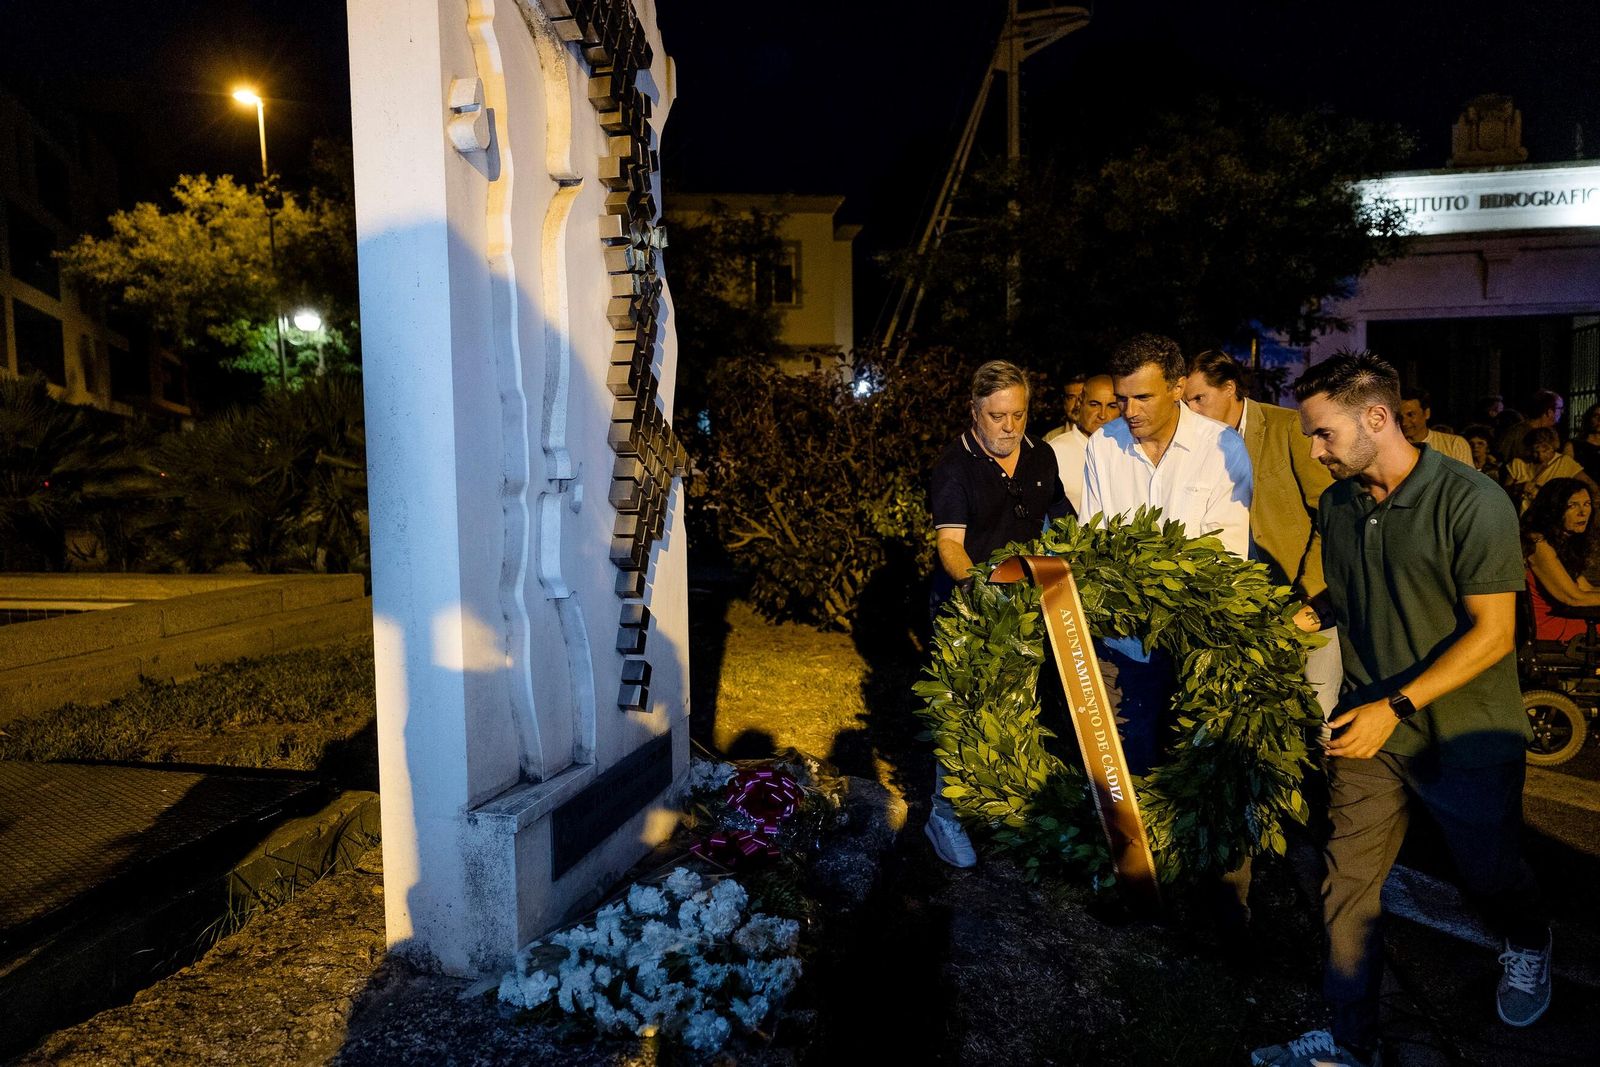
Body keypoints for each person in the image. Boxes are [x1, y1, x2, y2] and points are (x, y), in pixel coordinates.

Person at [1253, 352, 1551, 1067]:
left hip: (1465, 733)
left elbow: (1494, 634)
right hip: (1368, 727)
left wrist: (1397, 704)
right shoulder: (1339, 504)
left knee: (1489, 875)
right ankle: (1352, 1042)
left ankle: (1528, 939)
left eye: (1324, 434)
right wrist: (1302, 618)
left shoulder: (1472, 501)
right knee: (1347, 884)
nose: (1315, 452)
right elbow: (1352, 587)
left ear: (1377, 417)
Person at [1082, 334, 1252, 773]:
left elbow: (1227, 554)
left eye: (1143, 397)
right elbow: (1093, 542)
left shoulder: (1222, 446)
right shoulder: (1102, 445)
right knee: (1122, 757)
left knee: (1192, 761)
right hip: (1122, 638)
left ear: (1177, 388)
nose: (1129, 411)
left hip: (1197, 638)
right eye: (1122, 399)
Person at [928, 360, 1068, 866]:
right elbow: (950, 544)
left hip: (1027, 610)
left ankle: (1003, 809)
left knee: (1017, 709)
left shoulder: (1041, 455)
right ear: (974, 411)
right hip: (969, 607)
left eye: (1018, 414)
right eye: (997, 416)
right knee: (962, 713)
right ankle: (943, 815)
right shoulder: (954, 466)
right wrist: (978, 590)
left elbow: (1061, 522)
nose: (1009, 427)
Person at [1184, 350, 1340, 719]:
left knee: (1318, 716)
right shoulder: (1194, 444)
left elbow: (1330, 515)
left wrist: (1310, 594)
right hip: (1241, 609)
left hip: (1305, 600)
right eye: (1185, 402)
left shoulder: (1287, 427)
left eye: (1199, 398)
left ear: (1229, 388)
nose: (1191, 411)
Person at [1522, 477, 1600, 642]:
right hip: (1550, 627)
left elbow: (1586, 588)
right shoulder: (1538, 544)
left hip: (1567, 619)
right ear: (1554, 509)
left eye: (1587, 504)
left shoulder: (1561, 542)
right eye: (1572, 505)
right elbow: (1574, 598)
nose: (1583, 512)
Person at [1047, 373, 1119, 516]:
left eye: (1111, 406)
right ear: (1080, 403)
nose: (1102, 415)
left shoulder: (1132, 449)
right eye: (1094, 405)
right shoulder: (1055, 451)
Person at [1505, 426, 1599, 511]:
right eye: (1535, 452)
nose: (1540, 456)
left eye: (1545, 451)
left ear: (1554, 448)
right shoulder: (1518, 463)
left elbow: (1591, 485)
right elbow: (1504, 491)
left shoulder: (1564, 462)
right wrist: (1519, 487)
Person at [1397, 388, 1473, 466]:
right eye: (1399, 417)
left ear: (1427, 413)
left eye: (1410, 415)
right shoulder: (1394, 448)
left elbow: (1467, 474)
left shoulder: (1454, 445)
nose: (1404, 423)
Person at [1499, 388, 1564, 464]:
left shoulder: (1551, 433)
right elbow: (1500, 459)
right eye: (1560, 408)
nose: (1562, 412)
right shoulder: (1515, 433)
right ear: (1549, 412)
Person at [1562, 401, 1600, 484]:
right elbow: (1565, 471)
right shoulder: (1573, 445)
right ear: (1589, 418)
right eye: (1596, 416)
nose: (1599, 420)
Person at [1042, 372, 1087, 442]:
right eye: (1071, 398)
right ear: (1064, 401)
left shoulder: (1100, 436)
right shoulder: (1050, 439)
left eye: (1082, 397)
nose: (1077, 404)